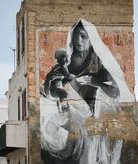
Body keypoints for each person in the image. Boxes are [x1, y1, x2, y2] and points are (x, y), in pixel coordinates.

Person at [40, 19, 134, 164]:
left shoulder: (99, 62)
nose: (78, 40)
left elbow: (115, 93)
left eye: (83, 36)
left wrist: (98, 83)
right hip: (75, 122)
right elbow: (50, 93)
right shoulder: (65, 63)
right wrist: (48, 81)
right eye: (75, 36)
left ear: (91, 38)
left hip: (97, 122)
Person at [43, 48, 75, 112]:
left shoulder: (59, 67)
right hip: (54, 90)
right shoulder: (61, 67)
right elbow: (68, 76)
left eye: (64, 57)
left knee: (63, 94)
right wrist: (76, 76)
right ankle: (64, 108)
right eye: (62, 57)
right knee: (64, 94)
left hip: (56, 89)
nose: (64, 59)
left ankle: (61, 109)